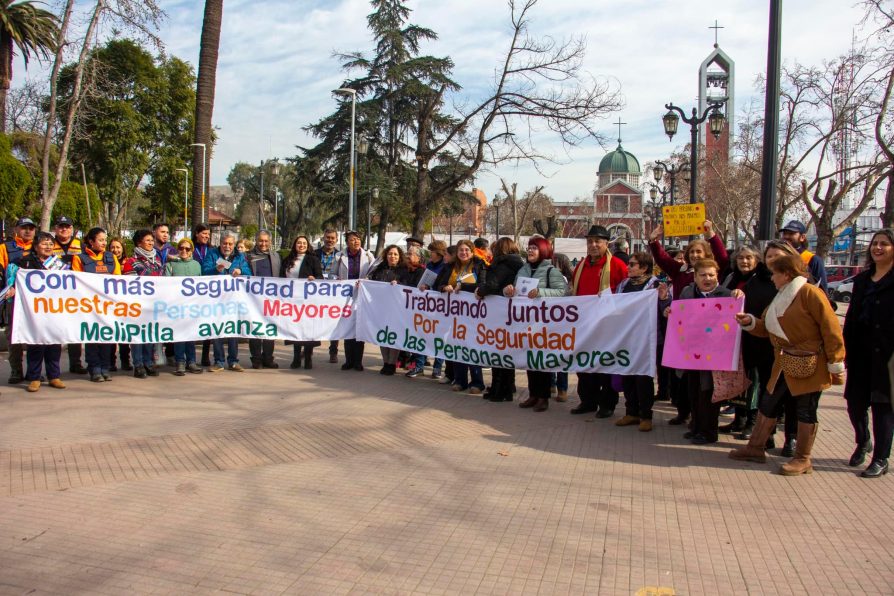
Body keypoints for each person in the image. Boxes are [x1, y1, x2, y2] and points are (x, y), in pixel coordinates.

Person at [732, 253, 845, 475]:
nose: (772, 278)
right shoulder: (782, 294)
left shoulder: (811, 293)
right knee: (768, 403)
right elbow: (768, 327)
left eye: (775, 273)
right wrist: (751, 322)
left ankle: (803, 458)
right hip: (783, 362)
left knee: (805, 410)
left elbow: (831, 329)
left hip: (809, 362)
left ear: (786, 274)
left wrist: (836, 361)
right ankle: (756, 448)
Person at [843, 229, 894, 478]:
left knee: (882, 406)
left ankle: (881, 458)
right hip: (860, 350)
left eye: (885, 244)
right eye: (875, 243)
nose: (878, 248)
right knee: (855, 403)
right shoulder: (862, 280)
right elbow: (852, 314)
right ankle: (863, 441)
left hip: (888, 355)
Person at [569, 224, 628, 417]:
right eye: (590, 241)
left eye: (597, 241)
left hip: (607, 325)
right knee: (584, 365)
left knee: (605, 365)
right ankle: (587, 401)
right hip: (584, 324)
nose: (593, 245)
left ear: (606, 243)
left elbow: (625, 294)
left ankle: (607, 404)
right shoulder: (581, 265)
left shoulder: (617, 266)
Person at [673, 259, 733, 444]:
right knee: (693, 390)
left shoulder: (727, 295)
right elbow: (680, 315)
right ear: (695, 276)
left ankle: (709, 432)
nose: (707, 279)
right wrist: (669, 310)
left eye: (711, 275)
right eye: (703, 275)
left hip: (714, 355)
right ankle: (696, 426)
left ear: (717, 276)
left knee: (708, 393)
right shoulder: (688, 292)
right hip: (691, 353)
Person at [504, 237, 568, 411]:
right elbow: (515, 291)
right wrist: (508, 291)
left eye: (535, 248)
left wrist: (541, 292)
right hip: (525, 321)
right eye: (529, 247)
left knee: (541, 362)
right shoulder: (523, 269)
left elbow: (563, 292)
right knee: (529, 359)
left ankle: (543, 397)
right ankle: (533, 395)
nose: (530, 250)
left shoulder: (551, 271)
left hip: (543, 323)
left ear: (543, 250)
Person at [719, 246, 774, 438]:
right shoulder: (731, 278)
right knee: (738, 379)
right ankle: (739, 419)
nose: (744, 261)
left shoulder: (764, 280)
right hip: (734, 338)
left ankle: (752, 422)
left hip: (756, 338)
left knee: (755, 381)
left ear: (757, 260)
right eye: (741, 258)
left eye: (749, 258)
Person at [614, 251, 671, 431]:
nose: (628, 267)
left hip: (647, 338)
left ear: (644, 267)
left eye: (632, 264)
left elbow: (665, 307)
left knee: (643, 378)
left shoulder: (655, 285)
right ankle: (631, 412)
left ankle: (646, 415)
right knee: (628, 375)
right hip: (627, 336)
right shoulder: (623, 284)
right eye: (629, 264)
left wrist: (664, 298)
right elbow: (615, 306)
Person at [4, 232, 66, 393]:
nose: (48, 247)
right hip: (34, 311)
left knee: (54, 343)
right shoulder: (24, 262)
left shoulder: (59, 264)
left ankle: (54, 376)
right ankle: (34, 377)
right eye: (44, 243)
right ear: (36, 245)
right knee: (36, 344)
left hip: (54, 309)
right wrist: (12, 289)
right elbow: (14, 281)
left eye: (51, 244)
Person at [434, 239, 487, 394]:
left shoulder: (479, 264)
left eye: (466, 250)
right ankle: (460, 380)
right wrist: (445, 287)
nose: (463, 253)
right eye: (460, 250)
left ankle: (477, 382)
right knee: (456, 346)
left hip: (472, 314)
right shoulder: (450, 266)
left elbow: (482, 284)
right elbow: (438, 284)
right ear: (456, 252)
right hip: (453, 314)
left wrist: (463, 286)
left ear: (472, 251)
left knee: (472, 346)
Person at [476, 237, 524, 401]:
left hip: (500, 314)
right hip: (507, 313)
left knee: (498, 352)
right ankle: (506, 388)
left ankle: (499, 389)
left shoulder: (503, 265)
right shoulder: (516, 263)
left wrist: (480, 289)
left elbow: (491, 285)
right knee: (505, 352)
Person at [72, 227, 121, 382]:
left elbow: (118, 280)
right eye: (100, 240)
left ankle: (105, 367)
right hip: (89, 305)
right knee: (92, 336)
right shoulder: (79, 258)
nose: (103, 243)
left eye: (105, 240)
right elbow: (76, 281)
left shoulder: (111, 257)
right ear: (91, 241)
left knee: (106, 336)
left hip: (107, 305)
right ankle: (94, 368)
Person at [202, 231, 248, 372]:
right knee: (218, 330)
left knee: (232, 330)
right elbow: (204, 271)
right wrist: (215, 269)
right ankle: (219, 361)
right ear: (220, 243)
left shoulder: (240, 256)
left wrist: (240, 271)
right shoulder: (212, 253)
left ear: (234, 244)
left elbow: (249, 273)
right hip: (216, 300)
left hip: (234, 300)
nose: (227, 246)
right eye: (224, 243)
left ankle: (233, 361)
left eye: (230, 243)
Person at [648, 220, 729, 299]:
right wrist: (654, 240)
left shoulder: (713, 270)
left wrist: (711, 235)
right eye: (692, 252)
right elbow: (663, 259)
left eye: (698, 252)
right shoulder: (679, 270)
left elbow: (722, 258)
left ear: (706, 254)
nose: (694, 255)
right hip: (683, 311)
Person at [122, 229, 164, 378]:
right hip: (138, 305)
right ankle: (138, 364)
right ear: (139, 242)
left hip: (154, 305)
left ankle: (149, 362)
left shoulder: (157, 261)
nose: (151, 243)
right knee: (138, 336)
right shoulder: (131, 262)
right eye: (147, 241)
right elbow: (130, 285)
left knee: (150, 335)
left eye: (152, 240)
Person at [0, 216, 37, 385]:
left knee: (34, 335)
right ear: (16, 230)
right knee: (13, 335)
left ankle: (34, 372)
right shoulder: (5, 248)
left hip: (35, 301)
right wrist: (7, 289)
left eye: (31, 228)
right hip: (13, 299)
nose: (28, 231)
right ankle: (16, 370)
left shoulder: (39, 247)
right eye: (24, 228)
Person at [51, 215, 87, 374]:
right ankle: (53, 368)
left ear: (72, 229)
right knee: (55, 331)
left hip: (76, 295)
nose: (64, 229)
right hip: (54, 295)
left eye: (67, 226)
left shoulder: (81, 245)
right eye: (60, 226)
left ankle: (76, 363)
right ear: (55, 228)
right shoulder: (48, 244)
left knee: (75, 330)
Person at [281, 235, 323, 370]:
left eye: (304, 243)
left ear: (308, 245)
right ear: (295, 245)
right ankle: (296, 357)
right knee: (295, 329)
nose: (301, 245)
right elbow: (280, 278)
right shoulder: (287, 260)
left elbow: (320, 278)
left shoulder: (313, 259)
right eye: (299, 243)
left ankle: (308, 358)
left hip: (308, 301)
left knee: (308, 330)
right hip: (292, 301)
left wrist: (314, 278)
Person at [336, 230, 375, 371]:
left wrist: (366, 281)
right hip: (345, 297)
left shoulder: (369, 256)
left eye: (358, 239)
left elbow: (373, 274)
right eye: (352, 239)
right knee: (348, 329)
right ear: (347, 242)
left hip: (362, 297)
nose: (356, 241)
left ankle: (358, 361)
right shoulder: (339, 256)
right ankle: (348, 361)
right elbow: (331, 274)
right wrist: (337, 280)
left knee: (360, 328)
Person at [165, 238, 204, 376]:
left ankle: (191, 361)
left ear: (191, 250)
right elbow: (166, 285)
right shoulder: (171, 265)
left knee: (191, 334)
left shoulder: (197, 265)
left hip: (192, 306)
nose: (184, 251)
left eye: (187, 249)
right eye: (181, 248)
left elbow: (202, 285)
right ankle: (180, 361)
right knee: (180, 335)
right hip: (177, 306)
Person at [368, 245, 410, 375]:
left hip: (397, 310)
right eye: (390, 254)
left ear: (399, 257)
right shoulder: (378, 270)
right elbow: (371, 283)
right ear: (386, 255)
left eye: (396, 254)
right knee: (383, 336)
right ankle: (385, 362)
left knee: (392, 336)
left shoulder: (404, 271)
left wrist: (399, 285)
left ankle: (392, 363)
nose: (393, 256)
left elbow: (409, 287)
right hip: (381, 308)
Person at [245, 230, 282, 369]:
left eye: (266, 241)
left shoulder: (275, 256)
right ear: (256, 241)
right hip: (253, 299)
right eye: (261, 241)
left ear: (270, 242)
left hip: (271, 299)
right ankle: (256, 359)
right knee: (255, 329)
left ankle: (268, 358)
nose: (263, 243)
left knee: (269, 329)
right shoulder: (248, 256)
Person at [314, 228, 342, 363]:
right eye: (327, 237)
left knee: (334, 322)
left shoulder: (340, 256)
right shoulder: (314, 254)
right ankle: (308, 348)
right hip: (315, 293)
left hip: (333, 294)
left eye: (332, 238)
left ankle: (333, 351)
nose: (330, 240)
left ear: (336, 240)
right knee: (313, 320)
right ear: (323, 238)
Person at [550, 253, 575, 401]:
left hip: (561, 322)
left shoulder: (566, 281)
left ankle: (561, 388)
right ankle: (555, 385)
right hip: (553, 322)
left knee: (559, 356)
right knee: (552, 354)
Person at [779, 220, 828, 294]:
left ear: (802, 237)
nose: (786, 236)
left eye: (791, 233)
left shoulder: (813, 259)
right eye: (784, 234)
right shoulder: (778, 258)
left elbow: (822, 291)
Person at [106, 237, 132, 372]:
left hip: (126, 304)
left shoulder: (129, 262)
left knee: (124, 334)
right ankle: (111, 362)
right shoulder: (106, 262)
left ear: (123, 248)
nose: (115, 250)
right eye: (113, 247)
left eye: (118, 247)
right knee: (111, 334)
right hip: (110, 303)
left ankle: (125, 361)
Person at [192, 224, 213, 366]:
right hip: (192, 292)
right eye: (204, 233)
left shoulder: (212, 250)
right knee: (191, 323)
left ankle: (205, 355)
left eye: (208, 234)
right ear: (196, 234)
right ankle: (190, 356)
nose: (206, 236)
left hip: (209, 291)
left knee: (208, 323)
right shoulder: (189, 248)